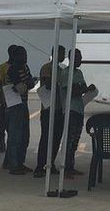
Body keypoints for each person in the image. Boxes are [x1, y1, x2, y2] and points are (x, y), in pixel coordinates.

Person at [57, 48, 95, 179]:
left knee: (75, 140)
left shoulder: (79, 73)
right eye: (79, 57)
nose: (81, 60)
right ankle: (65, 167)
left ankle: (71, 166)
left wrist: (85, 89)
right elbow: (71, 91)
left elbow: (81, 88)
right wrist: (83, 88)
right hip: (70, 110)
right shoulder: (66, 73)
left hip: (79, 108)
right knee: (69, 139)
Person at [33, 45, 65, 178]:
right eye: (62, 54)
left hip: (59, 108)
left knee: (57, 138)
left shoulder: (61, 70)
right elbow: (47, 83)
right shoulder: (47, 68)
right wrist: (60, 86)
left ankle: (50, 164)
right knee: (46, 137)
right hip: (48, 108)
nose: (63, 57)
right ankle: (40, 166)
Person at [5, 45, 35, 175]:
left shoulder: (25, 68)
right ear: (16, 56)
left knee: (24, 136)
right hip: (15, 105)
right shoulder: (12, 69)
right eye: (23, 55)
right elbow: (20, 88)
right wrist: (28, 83)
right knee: (15, 136)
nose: (26, 57)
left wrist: (28, 84)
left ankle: (20, 162)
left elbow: (29, 84)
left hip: (24, 103)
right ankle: (13, 164)